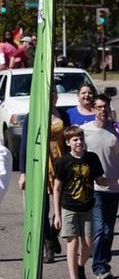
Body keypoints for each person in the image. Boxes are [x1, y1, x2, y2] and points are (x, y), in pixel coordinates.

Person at [52, 126, 119, 279]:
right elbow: (57, 188)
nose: (79, 142)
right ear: (68, 143)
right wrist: (57, 214)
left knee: (88, 245)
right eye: (75, 140)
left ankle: (80, 266)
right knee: (72, 244)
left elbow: (101, 181)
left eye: (81, 139)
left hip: (87, 207)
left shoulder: (92, 158)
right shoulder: (63, 162)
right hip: (69, 208)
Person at [81, 93, 119, 279]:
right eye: (99, 107)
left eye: (105, 107)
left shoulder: (116, 130)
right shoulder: (84, 130)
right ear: (93, 110)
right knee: (99, 229)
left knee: (109, 230)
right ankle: (99, 268)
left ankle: (104, 265)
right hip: (94, 187)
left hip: (114, 186)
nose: (102, 110)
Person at [19, 90, 70, 263]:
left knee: (62, 206)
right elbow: (24, 145)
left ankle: (54, 234)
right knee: (42, 209)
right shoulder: (32, 115)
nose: (51, 95)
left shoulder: (63, 114)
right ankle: (48, 244)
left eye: (54, 92)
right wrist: (23, 172)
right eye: (48, 92)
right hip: (40, 166)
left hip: (61, 165)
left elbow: (70, 139)